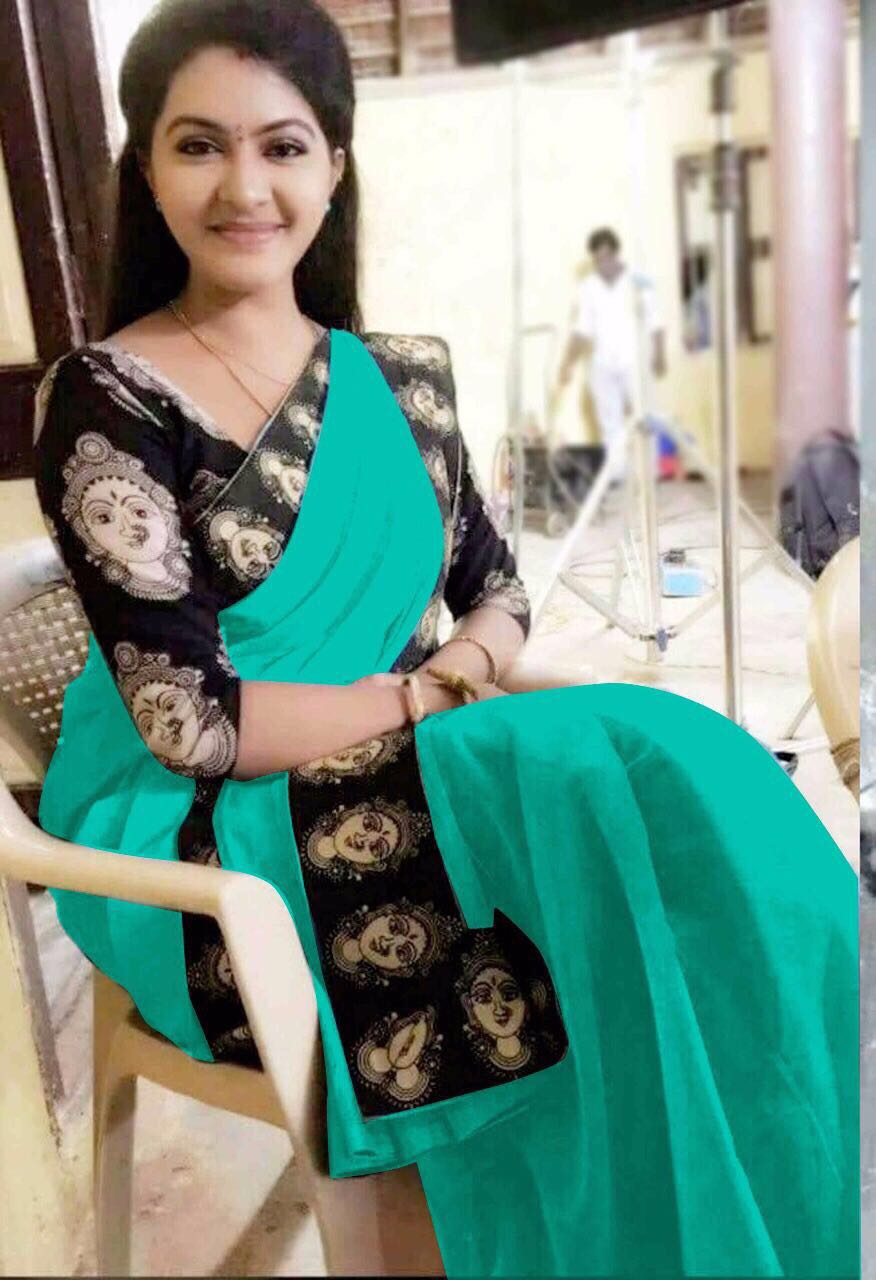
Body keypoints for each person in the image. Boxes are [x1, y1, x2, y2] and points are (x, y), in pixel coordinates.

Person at [33, 3, 857, 1277]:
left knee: (679, 843)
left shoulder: (399, 380)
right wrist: (426, 701)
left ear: (334, 166)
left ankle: (694, 1220)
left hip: (371, 754)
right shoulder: (109, 397)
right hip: (195, 829)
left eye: (283, 146)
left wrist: (458, 671)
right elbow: (192, 723)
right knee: (592, 789)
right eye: (199, 145)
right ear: (146, 168)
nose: (244, 186)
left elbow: (497, 589)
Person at [558, 227, 667, 466]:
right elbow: (581, 330)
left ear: (616, 254)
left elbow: (656, 321)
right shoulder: (589, 287)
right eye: (598, 260)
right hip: (603, 364)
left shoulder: (638, 281)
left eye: (607, 257)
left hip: (634, 362)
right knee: (611, 425)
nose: (603, 264)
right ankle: (617, 473)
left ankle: (650, 470)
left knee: (644, 417)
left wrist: (660, 355)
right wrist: (567, 365)